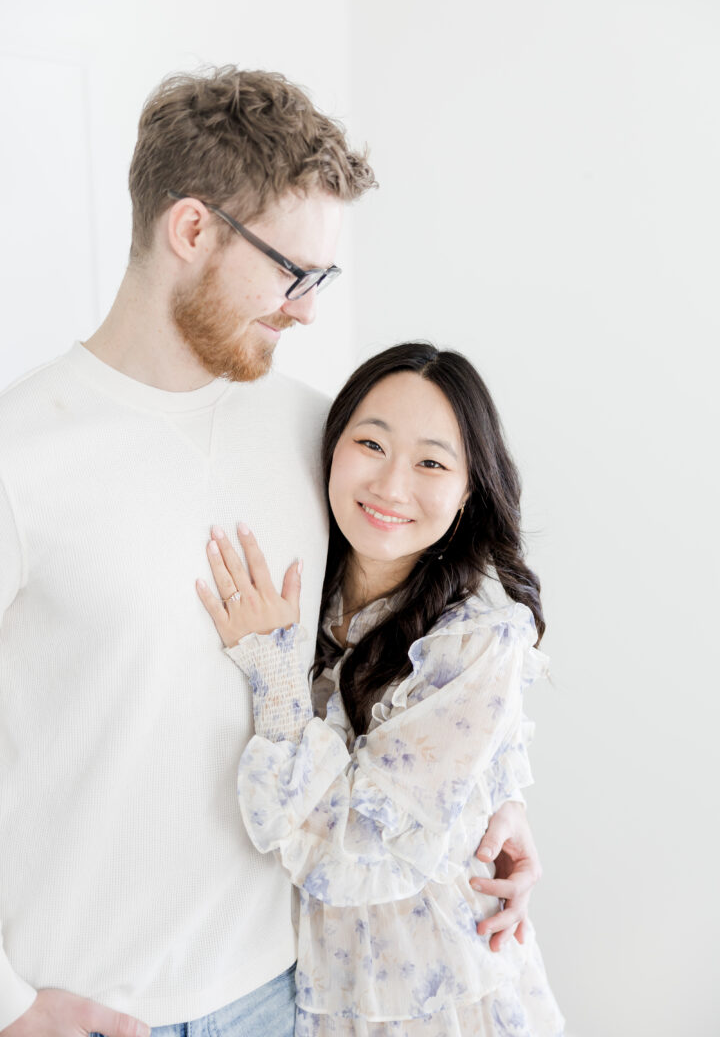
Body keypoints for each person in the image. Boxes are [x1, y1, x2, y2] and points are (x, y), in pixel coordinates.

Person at [0, 68, 540, 1037]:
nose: (306, 310)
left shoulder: (318, 438)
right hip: (86, 1005)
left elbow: (414, 638)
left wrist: (492, 805)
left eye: (323, 279)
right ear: (192, 231)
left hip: (288, 995)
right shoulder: (20, 457)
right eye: (294, 272)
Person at [197, 342, 565, 1036]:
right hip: (317, 991)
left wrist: (275, 679)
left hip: (442, 991)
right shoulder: (313, 589)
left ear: (468, 493)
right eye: (371, 444)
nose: (392, 486)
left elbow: (356, 842)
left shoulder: (476, 638)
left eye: (431, 462)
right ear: (331, 448)